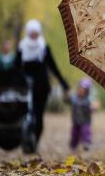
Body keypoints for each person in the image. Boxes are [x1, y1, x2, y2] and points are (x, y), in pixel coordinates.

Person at [15, 19, 70, 148]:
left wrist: (64, 84)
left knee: (39, 116)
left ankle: (35, 141)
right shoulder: (22, 47)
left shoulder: (44, 47)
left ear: (39, 33)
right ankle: (26, 138)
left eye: (36, 33)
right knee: (28, 114)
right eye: (31, 33)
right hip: (26, 87)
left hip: (42, 87)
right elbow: (16, 67)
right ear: (28, 33)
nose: (34, 35)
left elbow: (53, 67)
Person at [68, 77, 95, 151]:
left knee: (85, 131)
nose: (82, 91)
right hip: (76, 120)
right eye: (80, 89)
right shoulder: (74, 98)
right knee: (74, 133)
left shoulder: (88, 99)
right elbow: (68, 100)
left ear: (87, 91)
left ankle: (86, 142)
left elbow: (92, 107)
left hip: (85, 120)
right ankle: (73, 144)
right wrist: (67, 96)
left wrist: (93, 108)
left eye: (84, 90)